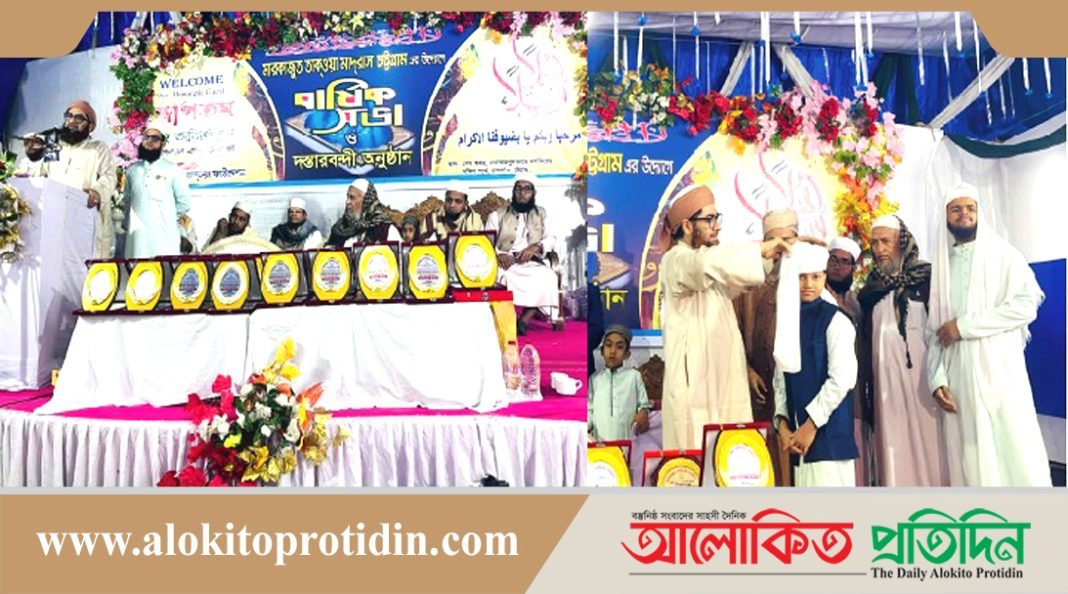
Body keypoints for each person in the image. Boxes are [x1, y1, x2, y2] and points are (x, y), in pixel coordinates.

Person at [926, 183, 1051, 486]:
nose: (964, 214)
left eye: (970, 208)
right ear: (945, 217)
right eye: (956, 209)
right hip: (957, 374)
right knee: (968, 452)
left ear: (980, 212)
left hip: (999, 370)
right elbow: (935, 329)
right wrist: (937, 378)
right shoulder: (942, 264)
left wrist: (965, 326)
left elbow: (1026, 305)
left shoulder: (1004, 254)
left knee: (1013, 448)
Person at [658, 184, 790, 450]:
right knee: (697, 453)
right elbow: (704, 265)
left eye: (717, 218)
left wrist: (775, 257)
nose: (717, 226)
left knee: (731, 454)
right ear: (687, 225)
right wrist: (760, 249)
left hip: (725, 380)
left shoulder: (711, 264)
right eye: (710, 219)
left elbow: (740, 276)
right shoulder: (675, 261)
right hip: (695, 386)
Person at [855, 216, 949, 487]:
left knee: (933, 446)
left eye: (886, 241)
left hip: (924, 384)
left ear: (902, 242)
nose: (879, 249)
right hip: (885, 387)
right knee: (893, 445)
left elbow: (942, 331)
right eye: (874, 243)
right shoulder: (871, 290)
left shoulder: (927, 279)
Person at [773, 242, 859, 487]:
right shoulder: (788, 320)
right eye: (801, 277)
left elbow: (842, 379)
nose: (808, 284)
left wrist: (810, 426)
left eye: (816, 277)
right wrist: (782, 423)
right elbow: (781, 378)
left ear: (824, 276)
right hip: (797, 443)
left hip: (829, 441)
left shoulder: (836, 320)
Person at [733, 209, 799, 486]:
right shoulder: (747, 288)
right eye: (775, 241)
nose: (782, 249)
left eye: (789, 240)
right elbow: (731, 336)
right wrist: (747, 371)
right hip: (761, 394)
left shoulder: (809, 283)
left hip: (800, 395)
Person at [826, 235, 875, 487]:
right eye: (833, 259)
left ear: (853, 268)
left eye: (845, 262)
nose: (837, 266)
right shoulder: (817, 297)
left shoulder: (856, 302)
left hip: (855, 393)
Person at [485, 173, 559, 335]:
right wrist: (498, 254)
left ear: (534, 193)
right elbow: (486, 242)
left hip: (531, 263)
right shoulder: (496, 215)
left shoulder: (543, 214)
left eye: (527, 189)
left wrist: (537, 247)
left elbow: (551, 238)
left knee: (548, 277)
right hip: (504, 263)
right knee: (493, 275)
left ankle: (524, 320)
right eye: (518, 189)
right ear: (513, 192)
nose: (522, 193)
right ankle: (504, 319)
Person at [47, 100, 118, 258]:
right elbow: (37, 172)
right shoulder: (53, 148)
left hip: (84, 218)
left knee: (83, 264)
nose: (71, 122)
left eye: (79, 119)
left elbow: (109, 176)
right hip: (55, 219)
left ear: (90, 126)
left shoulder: (98, 148)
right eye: (69, 116)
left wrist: (96, 192)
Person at [121, 121, 191, 259]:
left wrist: (166, 217)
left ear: (163, 144)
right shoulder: (132, 171)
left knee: (163, 269)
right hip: (137, 237)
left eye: (155, 138)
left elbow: (184, 203)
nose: (149, 141)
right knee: (137, 268)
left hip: (164, 237)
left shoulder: (173, 170)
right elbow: (127, 201)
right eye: (146, 137)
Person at [588, 325, 652, 442]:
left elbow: (644, 405)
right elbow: (589, 411)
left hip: (627, 443)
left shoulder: (634, 376)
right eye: (608, 345)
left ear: (627, 354)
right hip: (599, 445)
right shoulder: (594, 379)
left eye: (619, 347)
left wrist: (643, 412)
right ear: (602, 351)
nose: (613, 351)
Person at [325, 178, 395, 247]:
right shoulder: (340, 228)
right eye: (347, 197)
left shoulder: (384, 228)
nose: (347, 202)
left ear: (365, 201)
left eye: (352, 198)